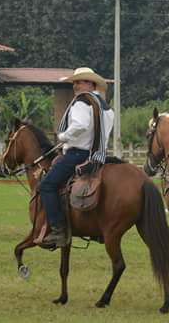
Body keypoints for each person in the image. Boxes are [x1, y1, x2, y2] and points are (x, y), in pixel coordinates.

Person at [39, 67, 114, 248]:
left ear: (90, 83)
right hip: (97, 156)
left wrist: (63, 136)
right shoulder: (106, 107)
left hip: (77, 154)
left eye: (79, 81)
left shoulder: (82, 102)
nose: (75, 85)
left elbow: (80, 125)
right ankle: (95, 229)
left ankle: (58, 230)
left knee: (47, 185)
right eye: (74, 82)